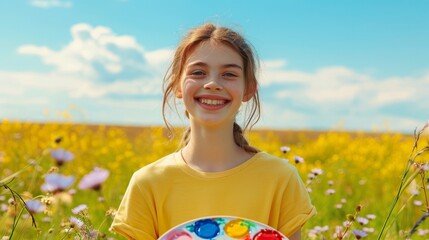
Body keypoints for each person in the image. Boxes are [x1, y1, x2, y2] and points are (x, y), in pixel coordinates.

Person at [110, 22, 316, 240]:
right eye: (198, 72)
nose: (212, 83)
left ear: (249, 89)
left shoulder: (281, 179)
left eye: (229, 74)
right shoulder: (147, 184)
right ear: (178, 85)